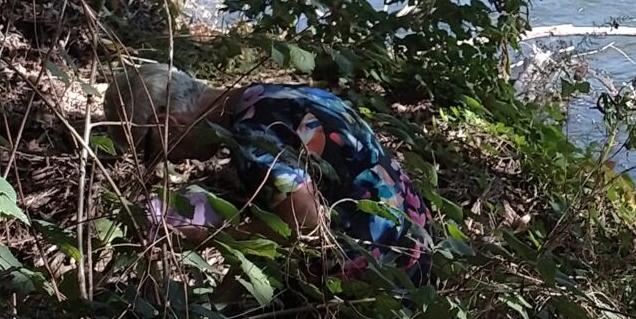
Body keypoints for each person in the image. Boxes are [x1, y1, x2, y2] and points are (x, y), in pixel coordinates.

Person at [104, 61, 433, 280]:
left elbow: (304, 227)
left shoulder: (253, 136)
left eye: (152, 150)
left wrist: (207, 238)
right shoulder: (272, 96)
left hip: (386, 271)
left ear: (167, 125)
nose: (172, 163)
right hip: (417, 239)